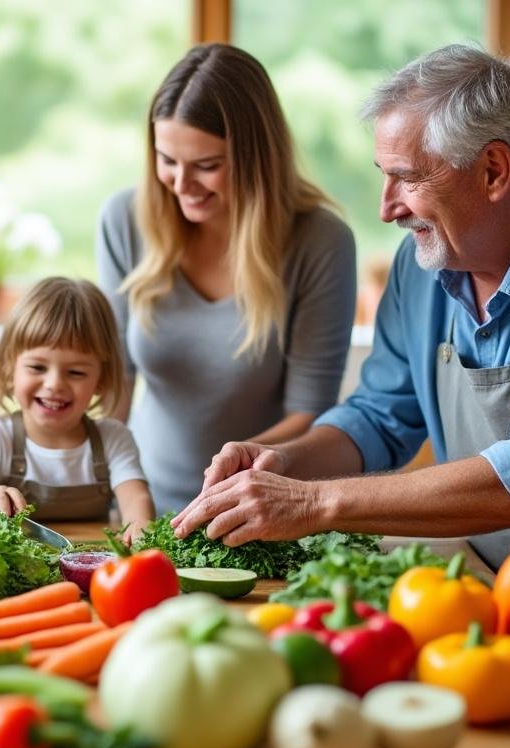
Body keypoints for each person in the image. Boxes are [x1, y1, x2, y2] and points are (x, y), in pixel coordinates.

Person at [173, 44, 510, 570]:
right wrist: (284, 465)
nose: (386, 208)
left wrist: (313, 504)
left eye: (407, 177)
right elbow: (378, 419)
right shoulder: (424, 262)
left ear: (494, 170)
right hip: (488, 581)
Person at [96, 43, 357, 514]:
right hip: (140, 508)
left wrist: (227, 478)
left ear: (258, 158)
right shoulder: (123, 220)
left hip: (258, 510)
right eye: (167, 160)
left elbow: (308, 415)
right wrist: (104, 486)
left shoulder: (320, 241)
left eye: (206, 166)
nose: (180, 184)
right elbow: (115, 385)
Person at [0, 278, 154, 542]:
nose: (54, 384)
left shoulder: (113, 438)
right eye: (37, 368)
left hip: (92, 565)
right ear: (10, 369)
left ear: (101, 379)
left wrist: (140, 527)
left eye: (75, 372)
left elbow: (136, 498)